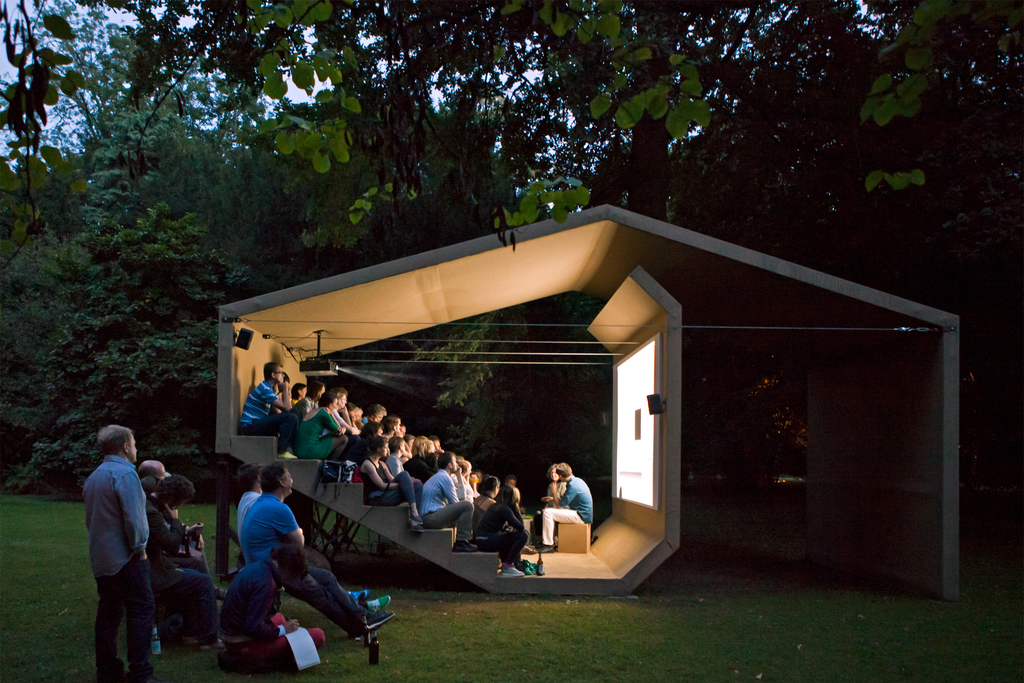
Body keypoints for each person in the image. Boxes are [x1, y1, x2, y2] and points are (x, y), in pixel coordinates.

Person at [241, 462, 393, 638]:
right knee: (320, 595)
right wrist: (299, 533)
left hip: (266, 566)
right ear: (282, 482)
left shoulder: (261, 503)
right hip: (272, 571)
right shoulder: (278, 508)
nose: (292, 479)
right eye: (289, 475)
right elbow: (298, 545)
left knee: (327, 578)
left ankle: (363, 619)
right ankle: (360, 626)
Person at [83, 425, 169, 683]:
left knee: (108, 613)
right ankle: (141, 673)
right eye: (134, 443)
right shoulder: (125, 475)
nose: (136, 448)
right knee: (141, 609)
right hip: (126, 558)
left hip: (102, 558)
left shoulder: (94, 476)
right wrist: (140, 548)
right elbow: (135, 519)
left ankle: (107, 672)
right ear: (125, 446)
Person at [219, 544, 326, 672]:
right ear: (287, 569)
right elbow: (253, 627)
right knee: (318, 635)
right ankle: (260, 656)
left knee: (279, 617)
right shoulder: (266, 583)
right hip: (241, 642)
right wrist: (281, 630)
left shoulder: (260, 568)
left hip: (234, 634)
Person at [145, 475, 223, 650]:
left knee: (195, 567)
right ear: (173, 497)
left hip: (156, 564)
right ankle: (209, 638)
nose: (177, 507)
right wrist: (175, 519)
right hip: (152, 571)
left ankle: (190, 631)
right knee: (201, 582)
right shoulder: (150, 512)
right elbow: (172, 545)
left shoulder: (154, 505)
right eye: (179, 502)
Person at [360, 435, 424, 532]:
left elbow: (392, 479)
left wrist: (407, 483)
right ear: (378, 449)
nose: (387, 449)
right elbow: (381, 485)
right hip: (377, 498)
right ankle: (414, 513)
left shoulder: (382, 464)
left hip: (386, 494)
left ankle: (415, 520)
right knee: (405, 475)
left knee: (418, 484)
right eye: (385, 447)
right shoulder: (368, 464)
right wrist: (405, 485)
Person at [238, 362, 299, 457]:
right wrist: (286, 389)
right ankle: (282, 450)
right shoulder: (264, 388)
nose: (283, 375)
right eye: (281, 373)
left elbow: (283, 411)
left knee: (293, 415)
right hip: (250, 426)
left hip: (256, 424)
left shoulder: (270, 389)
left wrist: (279, 393)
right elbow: (286, 409)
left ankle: (290, 449)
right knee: (291, 416)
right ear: (273, 375)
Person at [420, 452, 476, 552]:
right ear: (450, 465)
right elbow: (456, 503)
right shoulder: (445, 478)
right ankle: (462, 542)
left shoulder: (438, 476)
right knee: (468, 506)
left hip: (428, 517)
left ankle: (463, 541)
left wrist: (459, 475)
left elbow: (459, 499)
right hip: (431, 518)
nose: (457, 465)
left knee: (465, 506)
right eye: (455, 463)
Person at [537, 463, 594, 553]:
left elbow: (559, 506)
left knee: (548, 512)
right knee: (549, 511)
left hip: (581, 516)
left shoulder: (572, 486)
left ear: (560, 476)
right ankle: (550, 541)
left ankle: (548, 545)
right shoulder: (577, 481)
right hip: (582, 513)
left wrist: (554, 491)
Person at [476, 485, 529, 576]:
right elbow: (521, 527)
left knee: (510, 535)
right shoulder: (504, 509)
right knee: (524, 535)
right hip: (486, 541)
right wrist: (517, 508)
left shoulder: (496, 506)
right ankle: (507, 565)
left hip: (482, 540)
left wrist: (507, 529)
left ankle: (507, 564)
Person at [295, 392, 347, 460]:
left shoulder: (313, 411)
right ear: (330, 405)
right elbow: (339, 431)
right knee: (344, 438)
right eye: (335, 403)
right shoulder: (324, 413)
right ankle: (331, 464)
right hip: (309, 451)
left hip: (299, 450)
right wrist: (332, 414)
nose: (336, 406)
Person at [236, 463, 262, 569]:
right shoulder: (257, 501)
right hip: (258, 562)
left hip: (247, 557)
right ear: (259, 478)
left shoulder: (245, 497)